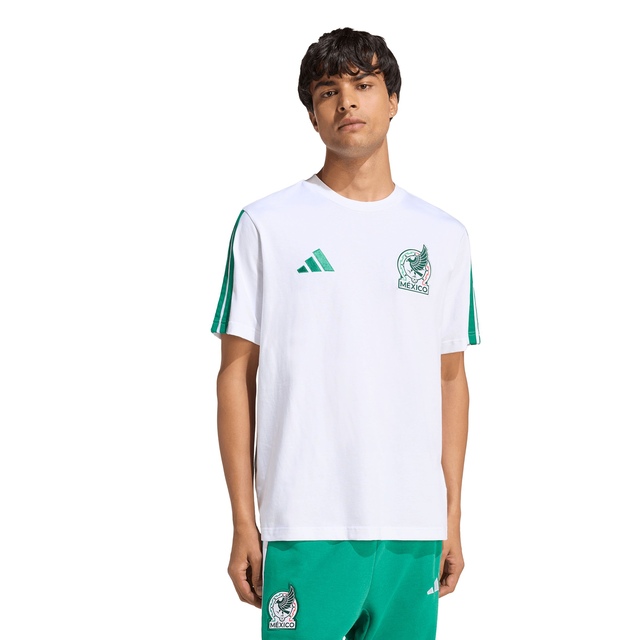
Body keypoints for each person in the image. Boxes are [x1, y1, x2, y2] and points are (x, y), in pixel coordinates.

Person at [211, 27, 480, 639]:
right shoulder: (266, 224)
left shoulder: (444, 237)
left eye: (363, 85)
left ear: (393, 100)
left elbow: (450, 379)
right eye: (328, 91)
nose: (347, 102)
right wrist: (243, 521)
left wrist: (451, 516)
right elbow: (235, 377)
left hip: (412, 529)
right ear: (313, 115)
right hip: (305, 523)